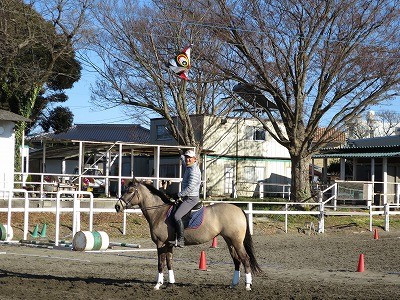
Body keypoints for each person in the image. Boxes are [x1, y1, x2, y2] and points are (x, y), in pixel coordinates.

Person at [171, 149, 202, 247]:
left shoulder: (194, 172)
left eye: (190, 158)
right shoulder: (189, 166)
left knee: (177, 216)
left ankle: (181, 240)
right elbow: (184, 162)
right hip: (187, 197)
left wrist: (178, 195)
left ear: (194, 159)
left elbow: (189, 188)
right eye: (186, 158)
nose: (187, 160)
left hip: (191, 198)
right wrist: (181, 153)